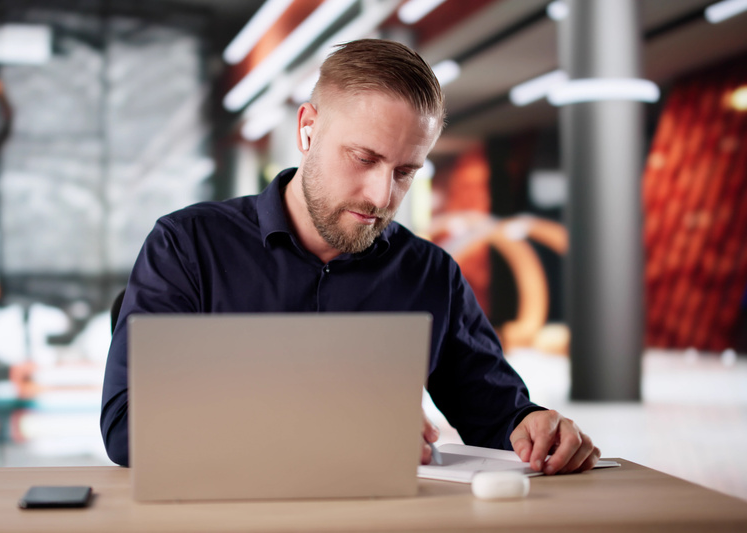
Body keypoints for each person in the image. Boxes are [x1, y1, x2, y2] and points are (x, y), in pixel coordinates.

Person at [101, 39, 600, 474]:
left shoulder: (429, 274)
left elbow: (495, 414)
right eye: (365, 159)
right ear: (308, 129)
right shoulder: (188, 245)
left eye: (406, 171)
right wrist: (325, 422)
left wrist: (533, 427)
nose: (382, 195)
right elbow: (129, 427)